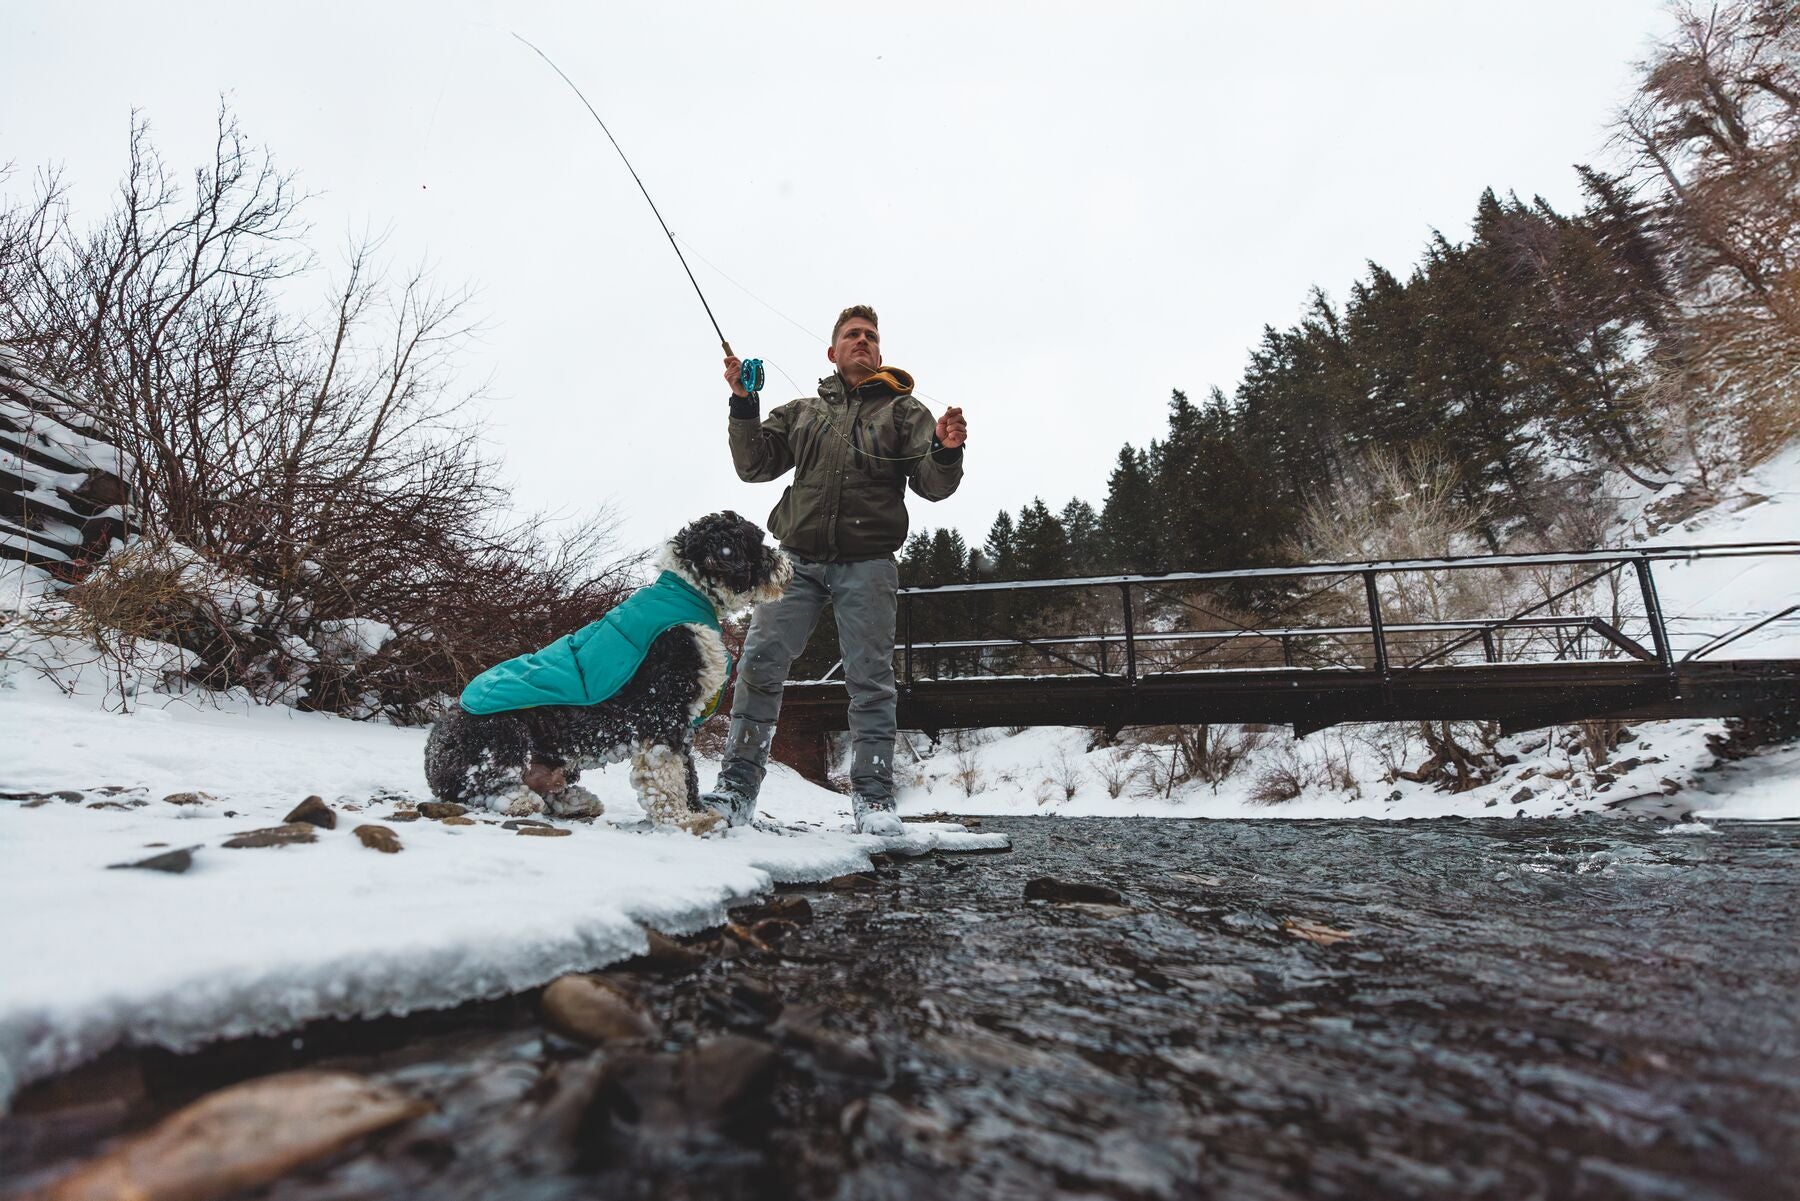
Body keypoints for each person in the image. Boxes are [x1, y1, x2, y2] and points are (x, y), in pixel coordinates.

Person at [700, 305, 967, 835]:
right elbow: (754, 466)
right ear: (833, 351)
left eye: (870, 336)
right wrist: (743, 402)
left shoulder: (905, 413)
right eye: (852, 335)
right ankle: (735, 790)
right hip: (794, 562)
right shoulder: (802, 413)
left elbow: (934, 486)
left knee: (871, 680)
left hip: (868, 565)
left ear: (879, 352)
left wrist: (945, 449)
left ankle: (873, 802)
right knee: (758, 666)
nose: (862, 341)